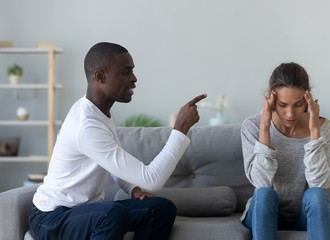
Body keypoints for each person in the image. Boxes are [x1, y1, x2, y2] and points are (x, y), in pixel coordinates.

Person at [29, 42, 207, 240]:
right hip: (52, 218)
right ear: (100, 77)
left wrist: (133, 189)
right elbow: (152, 180)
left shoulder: (101, 113)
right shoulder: (86, 125)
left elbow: (113, 165)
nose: (134, 79)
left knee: (161, 208)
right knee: (112, 214)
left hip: (87, 212)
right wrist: (180, 129)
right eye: (126, 72)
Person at [240, 62, 330, 240]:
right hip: (264, 211)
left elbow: (320, 183)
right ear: (271, 99)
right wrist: (265, 127)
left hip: (303, 215)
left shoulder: (325, 129)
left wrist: (314, 132)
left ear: (307, 98)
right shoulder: (252, 127)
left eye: (298, 104)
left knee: (316, 194)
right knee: (264, 194)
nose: (290, 114)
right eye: (282, 104)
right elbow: (261, 182)